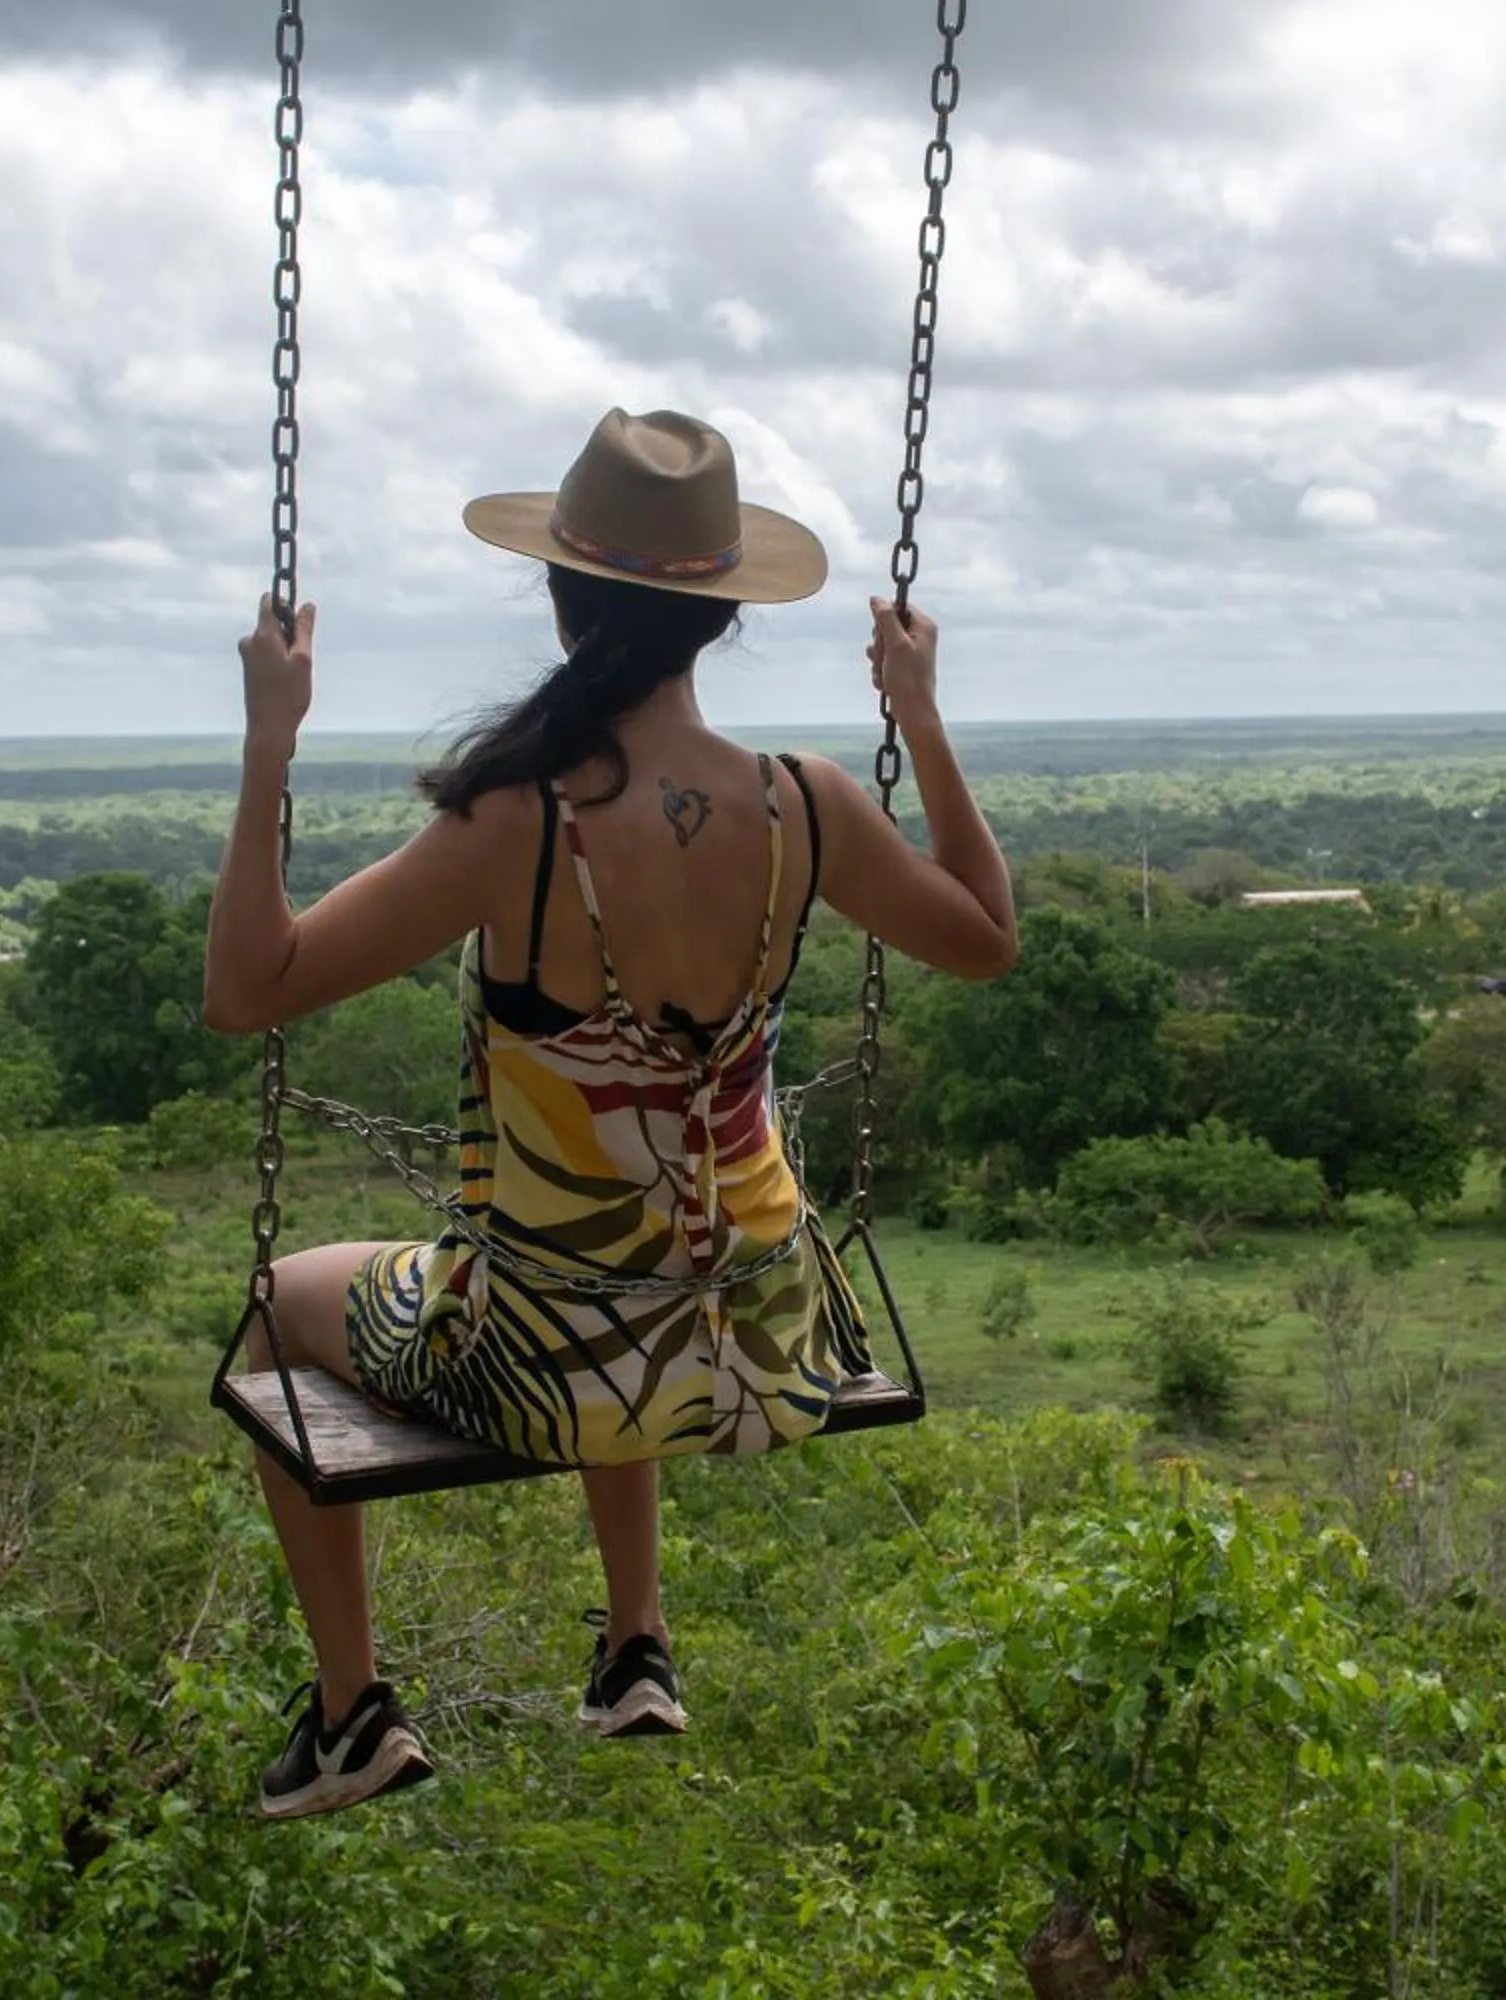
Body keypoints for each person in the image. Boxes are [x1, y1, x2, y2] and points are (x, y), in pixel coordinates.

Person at [202, 408, 1019, 1818]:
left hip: (545, 1361)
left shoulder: (521, 822)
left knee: (282, 1304)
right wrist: (922, 717)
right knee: (626, 1257)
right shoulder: (808, 803)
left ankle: (349, 1715)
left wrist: (269, 743)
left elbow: (247, 988)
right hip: (767, 1345)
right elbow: (988, 938)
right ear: (722, 619)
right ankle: (635, 1641)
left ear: (564, 603)